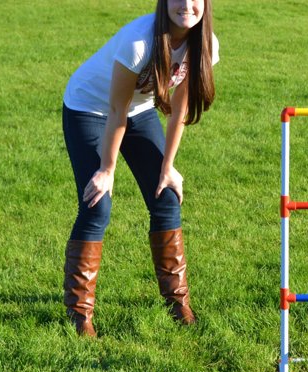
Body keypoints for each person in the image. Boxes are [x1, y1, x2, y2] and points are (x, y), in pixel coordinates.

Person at [62, 0, 219, 336]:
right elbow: (115, 111)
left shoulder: (205, 44)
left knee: (166, 197)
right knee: (96, 204)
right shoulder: (139, 41)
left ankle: (178, 304)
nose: (186, 5)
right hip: (89, 107)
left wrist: (168, 167)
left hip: (138, 109)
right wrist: (107, 169)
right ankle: (79, 314)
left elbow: (178, 112)